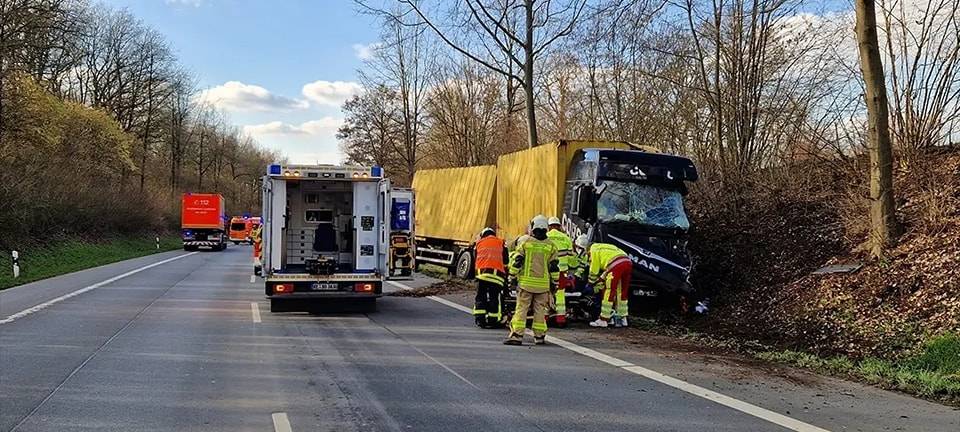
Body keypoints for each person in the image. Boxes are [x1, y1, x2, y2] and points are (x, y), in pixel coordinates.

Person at [504, 216, 559, 346]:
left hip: (526, 284)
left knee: (522, 309)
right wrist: (555, 283)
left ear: (533, 227)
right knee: (539, 310)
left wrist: (512, 276)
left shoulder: (525, 242)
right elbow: (554, 267)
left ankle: (517, 336)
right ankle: (539, 337)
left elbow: (517, 262)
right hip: (543, 285)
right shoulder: (551, 246)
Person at [575, 234, 633, 328]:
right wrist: (600, 279)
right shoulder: (604, 247)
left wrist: (590, 283)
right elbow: (607, 268)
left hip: (615, 266)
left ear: (587, 250)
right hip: (627, 262)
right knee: (622, 292)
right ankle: (622, 318)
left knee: (609, 291)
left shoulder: (594, 250)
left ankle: (604, 319)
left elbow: (594, 270)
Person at [473, 227, 508, 328]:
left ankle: (480, 319)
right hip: (496, 276)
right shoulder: (501, 242)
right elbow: (506, 261)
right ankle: (493, 320)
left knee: (480, 296)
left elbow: (476, 258)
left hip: (481, 275)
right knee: (494, 297)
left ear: (483, 235)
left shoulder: (479, 243)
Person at [546, 216, 575, 327]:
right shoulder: (565, 238)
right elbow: (571, 257)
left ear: (549, 227)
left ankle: (544, 317)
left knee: (544, 294)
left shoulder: (545, 237)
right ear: (559, 226)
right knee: (560, 294)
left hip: (547, 271)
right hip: (562, 272)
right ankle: (561, 319)